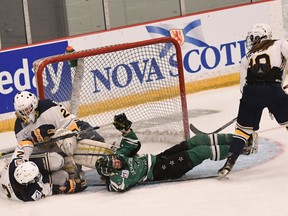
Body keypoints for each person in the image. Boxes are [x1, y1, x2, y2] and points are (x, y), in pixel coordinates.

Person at [95, 117, 258, 192]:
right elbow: (119, 186)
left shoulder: (119, 157)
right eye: (114, 165)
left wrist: (125, 129)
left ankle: (241, 138)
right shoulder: (117, 181)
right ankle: (242, 149)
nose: (117, 161)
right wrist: (108, 178)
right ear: (111, 172)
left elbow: (130, 143)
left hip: (157, 159)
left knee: (197, 140)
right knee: (201, 152)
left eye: (114, 159)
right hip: (160, 171)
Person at [218, 23, 288, 178]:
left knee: (242, 131)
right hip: (273, 91)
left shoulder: (246, 58)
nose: (252, 41)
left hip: (251, 94)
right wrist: (275, 95)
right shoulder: (280, 43)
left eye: (253, 38)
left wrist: (252, 103)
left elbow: (243, 88)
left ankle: (228, 164)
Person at [13, 90, 105, 178]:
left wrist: (53, 133)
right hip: (52, 150)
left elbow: (70, 125)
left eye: (28, 109)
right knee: (68, 173)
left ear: (34, 103)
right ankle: (71, 166)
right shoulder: (19, 127)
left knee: (83, 144)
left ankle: (105, 162)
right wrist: (33, 140)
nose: (26, 113)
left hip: (69, 135)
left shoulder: (48, 106)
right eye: (22, 111)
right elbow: (29, 153)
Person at [0, 144, 87, 202]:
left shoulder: (15, 165)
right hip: (24, 185)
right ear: (29, 182)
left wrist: (37, 135)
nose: (38, 175)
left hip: (22, 175)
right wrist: (69, 187)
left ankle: (61, 161)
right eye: (36, 176)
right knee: (63, 177)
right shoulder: (30, 194)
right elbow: (49, 189)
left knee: (57, 160)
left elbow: (24, 144)